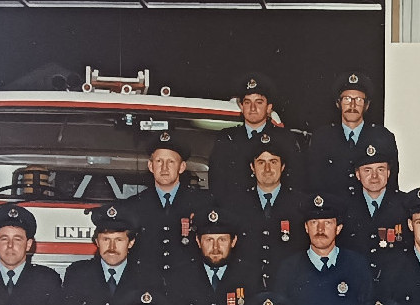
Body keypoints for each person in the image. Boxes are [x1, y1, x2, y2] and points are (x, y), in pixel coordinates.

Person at [270, 191, 374, 305]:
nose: (320, 229)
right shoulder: (289, 268)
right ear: (305, 228)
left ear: (338, 228)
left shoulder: (357, 265)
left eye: (327, 223)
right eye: (314, 223)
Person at [226, 128, 308, 289]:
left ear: (283, 166)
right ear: (252, 167)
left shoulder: (301, 204)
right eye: (261, 162)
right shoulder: (234, 204)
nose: (267, 169)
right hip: (247, 288)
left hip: (288, 287)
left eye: (273, 162)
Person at [123, 130, 208, 281]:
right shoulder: (133, 206)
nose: (164, 168)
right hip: (147, 287)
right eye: (159, 161)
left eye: (171, 162)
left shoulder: (203, 204)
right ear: (150, 166)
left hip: (188, 287)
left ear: (182, 167)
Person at [304, 71, 396, 198]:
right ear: (338, 103)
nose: (352, 105)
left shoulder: (382, 137)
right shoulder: (322, 138)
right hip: (333, 212)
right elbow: (314, 183)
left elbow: (391, 185)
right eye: (347, 99)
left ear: (366, 105)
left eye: (358, 100)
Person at [208, 72, 302, 196]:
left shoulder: (285, 139)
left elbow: (295, 182)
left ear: (269, 108)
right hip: (234, 211)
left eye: (259, 102)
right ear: (241, 106)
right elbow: (217, 183)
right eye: (247, 102)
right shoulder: (226, 138)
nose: (252, 108)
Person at [338, 137, 410, 282]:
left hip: (395, 284)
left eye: (380, 169)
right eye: (367, 170)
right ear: (358, 174)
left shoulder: (406, 205)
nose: (375, 176)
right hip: (355, 282)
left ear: (389, 173)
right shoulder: (343, 207)